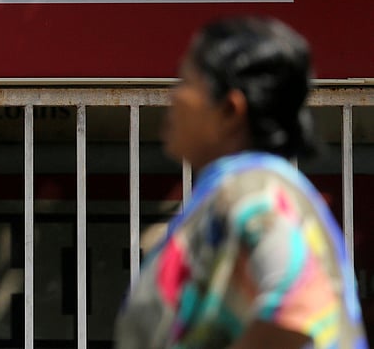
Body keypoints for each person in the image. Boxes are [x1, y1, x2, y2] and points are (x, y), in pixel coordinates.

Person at [114, 17, 368, 349]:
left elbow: (300, 305)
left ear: (230, 110)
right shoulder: (236, 188)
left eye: (186, 82)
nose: (173, 96)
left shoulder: (253, 189)